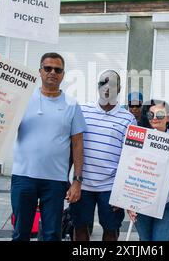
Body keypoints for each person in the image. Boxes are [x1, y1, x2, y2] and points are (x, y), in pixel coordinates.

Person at [11, 52, 86, 241]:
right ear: (40, 71)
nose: (52, 72)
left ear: (63, 74)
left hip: (55, 180)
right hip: (23, 176)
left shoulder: (71, 104)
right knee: (21, 232)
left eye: (57, 69)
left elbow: (77, 144)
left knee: (52, 234)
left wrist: (77, 180)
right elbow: (1, 127)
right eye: (48, 68)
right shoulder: (23, 99)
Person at [71, 70, 136, 241]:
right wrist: (70, 181)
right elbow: (72, 147)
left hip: (111, 187)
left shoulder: (128, 119)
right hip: (82, 185)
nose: (107, 88)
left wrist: (122, 192)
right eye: (103, 83)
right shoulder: (82, 110)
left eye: (112, 84)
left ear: (119, 88)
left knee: (111, 230)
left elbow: (129, 158)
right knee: (80, 228)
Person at [128, 99, 169, 241]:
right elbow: (130, 169)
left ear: (168, 117)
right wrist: (128, 202)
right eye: (151, 115)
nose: (155, 118)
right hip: (143, 201)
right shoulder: (140, 137)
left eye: (160, 114)